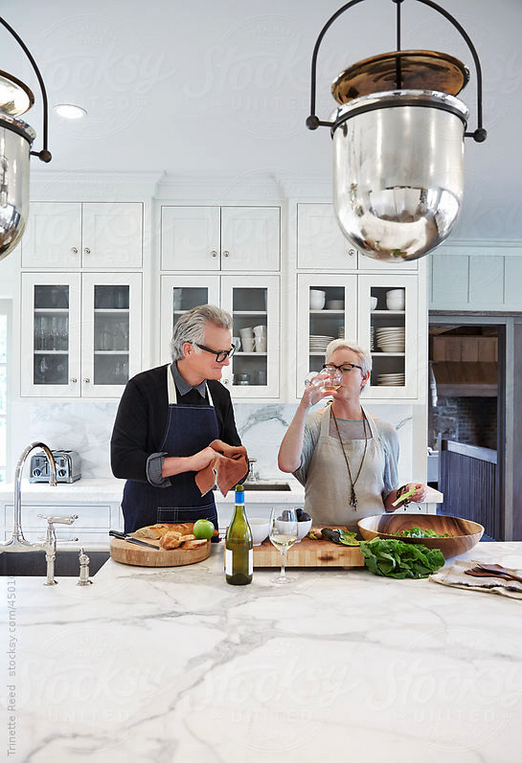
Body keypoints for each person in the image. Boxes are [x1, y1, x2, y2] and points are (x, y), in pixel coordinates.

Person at [111, 304, 245, 534]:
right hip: (148, 521)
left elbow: (236, 470)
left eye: (228, 351)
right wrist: (191, 462)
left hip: (201, 519)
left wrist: (228, 458)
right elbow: (122, 462)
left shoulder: (220, 395)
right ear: (188, 349)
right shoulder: (143, 389)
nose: (226, 362)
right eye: (219, 354)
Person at [278, 339, 427, 531]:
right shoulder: (312, 424)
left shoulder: (385, 431)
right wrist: (304, 405)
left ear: (364, 377)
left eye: (346, 368)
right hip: (321, 541)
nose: (336, 375)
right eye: (331, 368)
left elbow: (388, 501)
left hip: (371, 542)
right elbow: (286, 464)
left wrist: (406, 493)